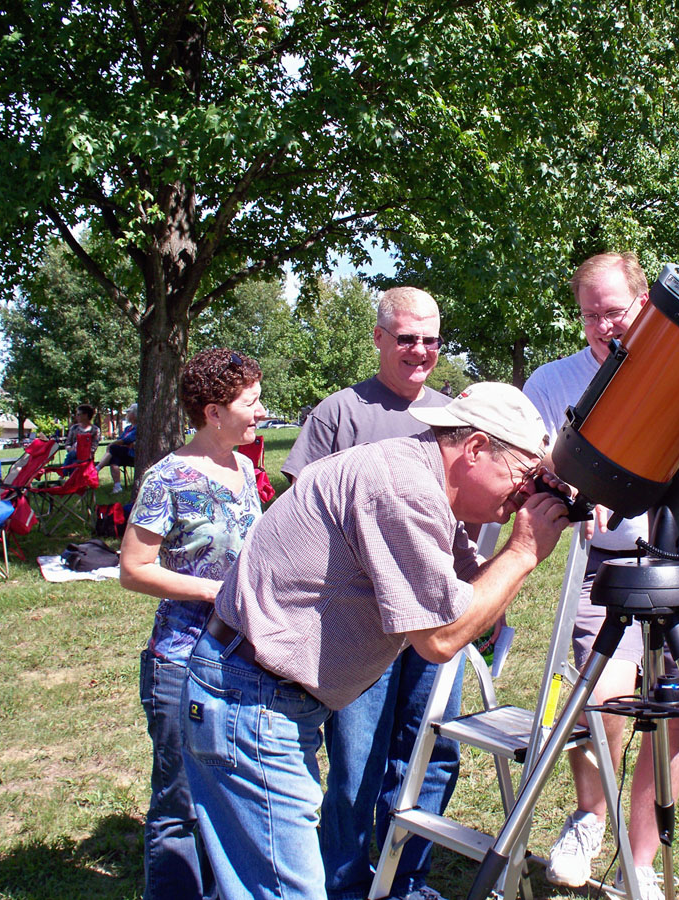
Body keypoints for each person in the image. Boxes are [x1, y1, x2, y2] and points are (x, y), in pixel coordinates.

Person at [181, 383, 570, 900]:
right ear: (475, 448)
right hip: (251, 698)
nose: (522, 497)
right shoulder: (402, 488)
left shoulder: (418, 475)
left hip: (262, 694)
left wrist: (501, 576)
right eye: (523, 480)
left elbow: (464, 582)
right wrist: (522, 553)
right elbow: (439, 637)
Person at [522, 252, 679, 900]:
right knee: (600, 697)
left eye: (616, 311)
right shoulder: (553, 381)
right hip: (612, 563)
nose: (604, 326)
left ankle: (642, 861)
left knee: (675, 710)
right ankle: (590, 817)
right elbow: (532, 457)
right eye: (591, 314)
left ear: (647, 310)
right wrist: (576, 476)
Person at [281, 288, 459, 900]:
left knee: (433, 752)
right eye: (407, 338)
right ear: (379, 338)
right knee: (358, 763)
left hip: (438, 612)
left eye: (431, 339)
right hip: (363, 622)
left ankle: (406, 880)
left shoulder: (454, 416)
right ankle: (350, 884)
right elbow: (304, 516)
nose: (420, 351)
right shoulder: (339, 413)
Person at [119, 349, 266, 900]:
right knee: (179, 805)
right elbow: (133, 569)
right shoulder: (168, 477)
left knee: (227, 796)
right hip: (180, 663)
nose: (260, 412)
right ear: (212, 411)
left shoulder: (244, 468)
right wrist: (214, 592)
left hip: (237, 662)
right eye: (250, 402)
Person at [96, 403, 137, 494]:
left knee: (113, 448)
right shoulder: (128, 428)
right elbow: (121, 440)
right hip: (124, 452)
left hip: (133, 454)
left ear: (134, 415)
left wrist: (113, 444)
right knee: (114, 458)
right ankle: (117, 486)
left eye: (128, 413)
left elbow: (126, 440)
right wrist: (121, 443)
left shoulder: (138, 428)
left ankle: (97, 469)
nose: (127, 415)